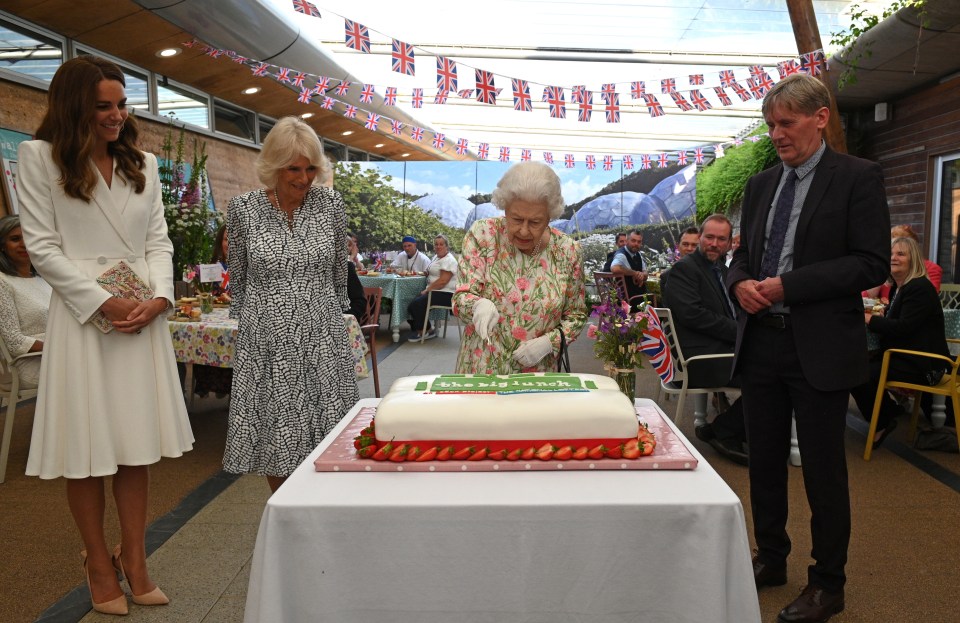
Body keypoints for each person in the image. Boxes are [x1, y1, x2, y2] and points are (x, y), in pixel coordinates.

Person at [16, 56, 194, 615]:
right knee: (89, 449)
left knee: (135, 446)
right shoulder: (38, 157)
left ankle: (135, 559)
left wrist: (160, 298)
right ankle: (97, 562)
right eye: (103, 106)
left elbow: (158, 242)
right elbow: (42, 247)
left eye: (122, 105)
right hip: (85, 317)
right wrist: (101, 300)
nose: (117, 115)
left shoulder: (141, 161)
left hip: (141, 315)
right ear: (75, 107)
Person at [727, 73, 890, 623]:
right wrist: (740, 283)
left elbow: (870, 263)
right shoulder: (760, 186)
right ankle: (771, 557)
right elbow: (742, 257)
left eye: (787, 123)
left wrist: (787, 287)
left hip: (817, 347)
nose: (776, 134)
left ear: (820, 118)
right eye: (771, 124)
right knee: (764, 463)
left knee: (823, 472)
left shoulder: (858, 178)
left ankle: (828, 584)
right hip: (761, 345)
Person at [224, 116, 359, 494]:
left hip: (321, 332)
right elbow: (240, 279)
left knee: (328, 429)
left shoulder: (330, 204)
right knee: (277, 433)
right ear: (273, 166)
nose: (303, 178)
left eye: (310, 168)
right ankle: (286, 510)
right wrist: (256, 329)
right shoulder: (243, 210)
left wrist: (328, 320)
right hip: (267, 337)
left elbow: (337, 274)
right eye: (293, 168)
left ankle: (329, 511)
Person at [454, 162, 586, 374]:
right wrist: (477, 305)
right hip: (481, 369)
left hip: (537, 374)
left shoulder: (567, 252)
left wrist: (549, 342)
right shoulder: (483, 235)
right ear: (504, 208)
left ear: (550, 216)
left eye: (535, 222)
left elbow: (576, 316)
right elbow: (461, 297)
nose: (524, 231)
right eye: (516, 219)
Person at [660, 214, 747, 465]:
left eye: (721, 239)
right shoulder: (684, 269)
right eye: (709, 237)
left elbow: (733, 308)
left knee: (775, 364)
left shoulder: (721, 268)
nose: (714, 243)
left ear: (730, 243)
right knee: (771, 375)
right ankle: (724, 430)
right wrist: (740, 332)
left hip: (720, 349)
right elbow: (693, 315)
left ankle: (722, 429)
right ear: (700, 238)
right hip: (700, 360)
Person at [851, 236, 950, 448]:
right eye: (891, 254)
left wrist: (870, 319)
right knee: (857, 366)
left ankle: (883, 420)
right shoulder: (900, 288)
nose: (893, 258)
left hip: (925, 364)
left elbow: (904, 327)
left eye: (901, 254)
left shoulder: (919, 288)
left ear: (913, 259)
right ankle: (889, 411)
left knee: (858, 373)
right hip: (906, 357)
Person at [0, 215, 51, 388]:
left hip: (57, 354)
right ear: (2, 246)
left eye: (29, 237)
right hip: (31, 363)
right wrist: (58, 348)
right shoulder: (2, 282)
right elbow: (14, 341)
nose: (24, 244)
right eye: (15, 239)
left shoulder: (43, 279)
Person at [192, 224, 232, 398]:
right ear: (220, 242)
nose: (230, 243)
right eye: (226, 239)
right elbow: (202, 293)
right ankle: (205, 384)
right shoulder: (212, 268)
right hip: (212, 319)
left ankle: (228, 389)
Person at [407, 234, 457, 340]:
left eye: (441, 244)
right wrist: (419, 273)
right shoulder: (436, 257)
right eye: (436, 244)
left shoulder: (449, 260)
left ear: (447, 246)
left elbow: (443, 281)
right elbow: (430, 271)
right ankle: (428, 330)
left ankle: (422, 332)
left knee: (417, 304)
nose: (438, 246)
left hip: (446, 294)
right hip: (436, 291)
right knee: (411, 304)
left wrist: (427, 290)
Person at [610, 229, 648, 310]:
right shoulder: (621, 255)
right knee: (660, 303)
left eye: (639, 242)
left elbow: (646, 273)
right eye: (633, 241)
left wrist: (642, 275)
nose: (636, 244)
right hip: (628, 301)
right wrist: (634, 273)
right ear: (627, 241)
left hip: (637, 298)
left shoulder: (638, 255)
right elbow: (614, 268)